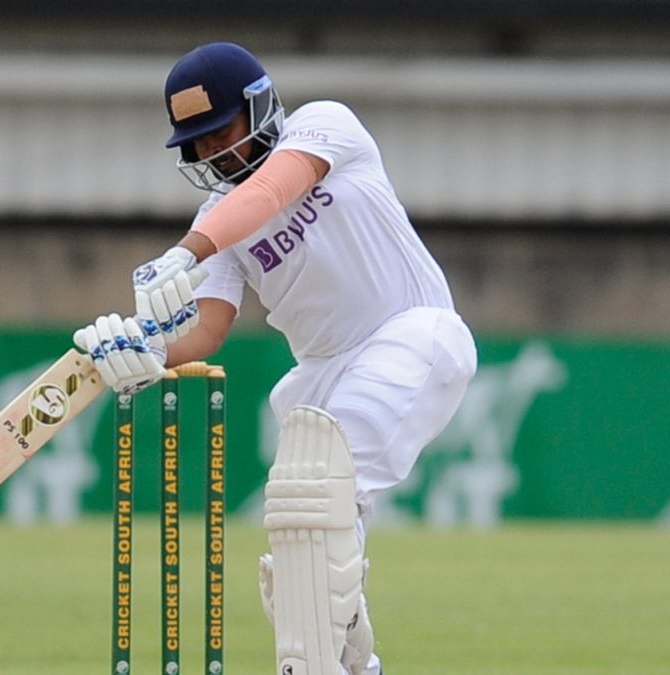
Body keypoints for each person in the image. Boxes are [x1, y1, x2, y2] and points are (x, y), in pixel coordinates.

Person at [73, 42, 477, 675]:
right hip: (322, 371)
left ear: (260, 106)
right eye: (197, 144)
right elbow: (205, 333)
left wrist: (187, 251)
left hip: (412, 334)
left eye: (219, 132)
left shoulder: (326, 126)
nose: (210, 153)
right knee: (300, 531)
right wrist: (145, 350)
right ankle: (347, 659)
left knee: (318, 493)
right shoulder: (218, 221)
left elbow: (272, 190)